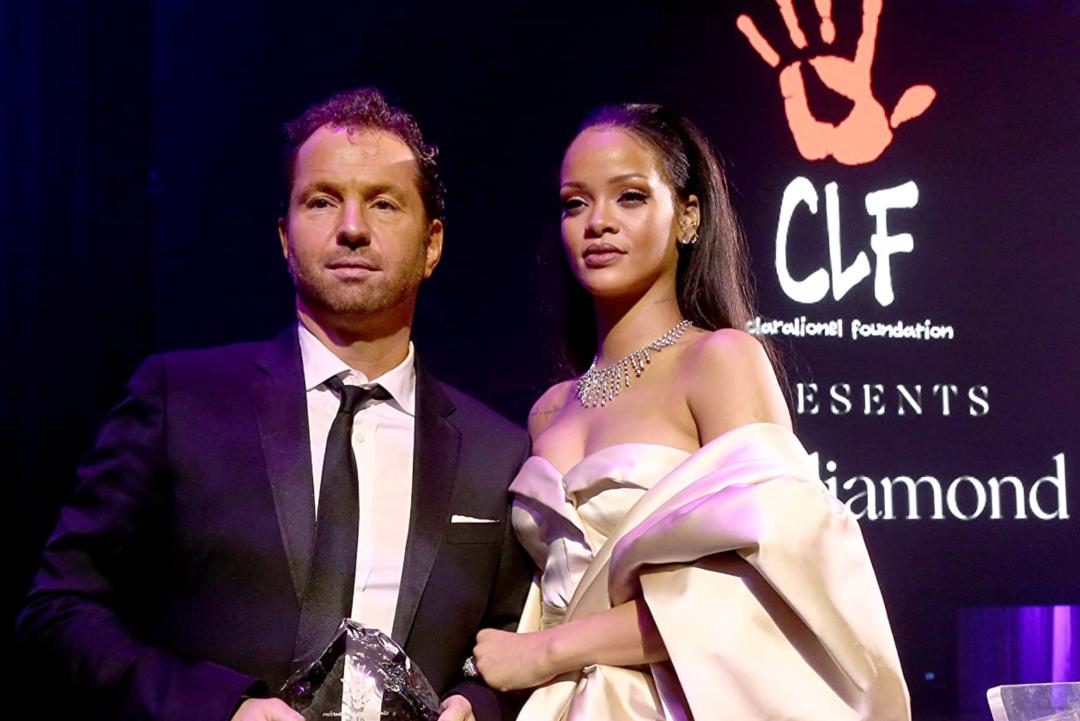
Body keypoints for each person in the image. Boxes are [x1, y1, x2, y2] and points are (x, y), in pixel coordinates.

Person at [16, 88, 531, 721]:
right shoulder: (181, 401)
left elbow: (512, 643)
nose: (352, 227)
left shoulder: (495, 453)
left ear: (432, 244)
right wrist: (223, 709)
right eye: (322, 200)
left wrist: (475, 704)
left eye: (383, 202)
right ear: (286, 238)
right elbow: (59, 611)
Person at [468, 104, 911, 720]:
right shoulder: (549, 410)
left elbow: (770, 589)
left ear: (688, 216)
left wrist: (548, 651)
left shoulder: (720, 361)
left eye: (629, 197)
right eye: (575, 203)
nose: (598, 222)